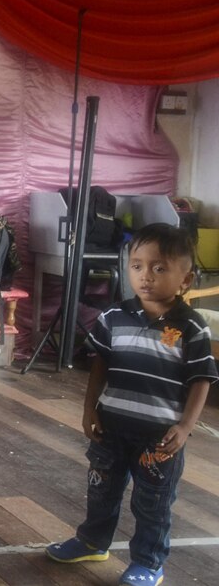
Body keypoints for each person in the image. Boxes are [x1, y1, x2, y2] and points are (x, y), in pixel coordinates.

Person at [45, 224, 217, 585]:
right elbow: (100, 364)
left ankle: (149, 562)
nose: (146, 276)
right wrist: (89, 408)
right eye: (137, 266)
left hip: (159, 437)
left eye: (159, 268)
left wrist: (185, 427)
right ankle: (92, 540)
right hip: (111, 426)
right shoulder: (113, 318)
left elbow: (201, 380)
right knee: (101, 489)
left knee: (152, 502)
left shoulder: (191, 327)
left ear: (185, 278)